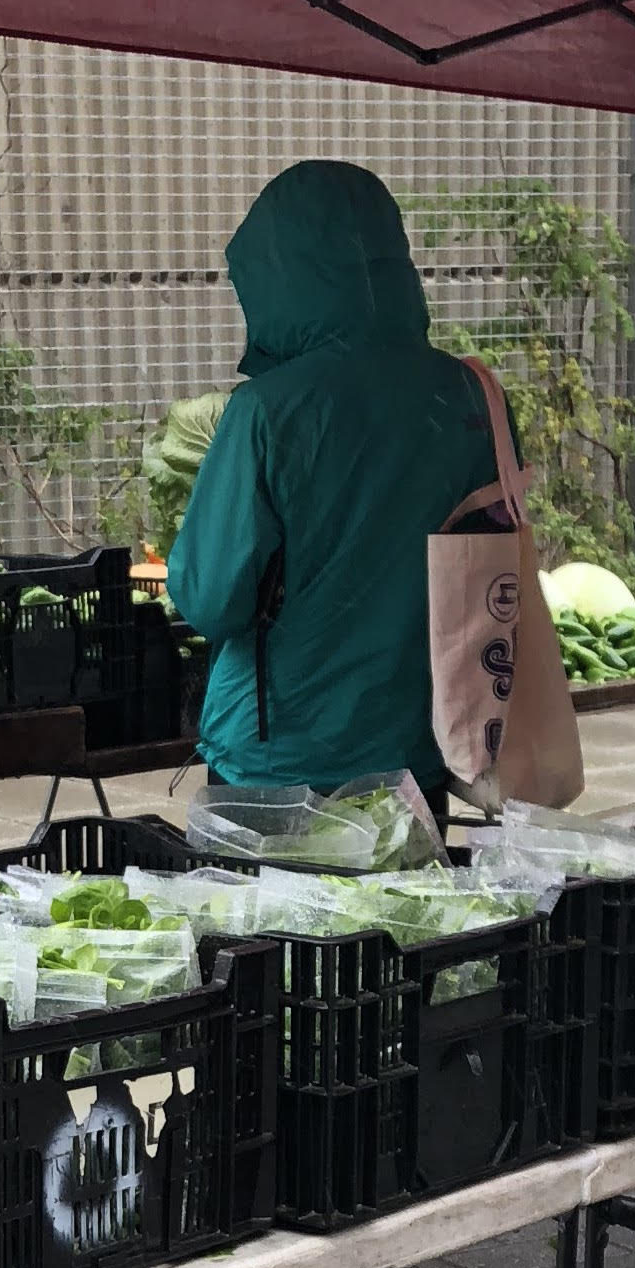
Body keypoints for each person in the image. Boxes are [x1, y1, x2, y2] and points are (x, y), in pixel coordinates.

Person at [167, 160, 505, 804]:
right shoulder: (472, 395)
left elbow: (211, 597)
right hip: (421, 748)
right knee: (410, 907)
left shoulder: (266, 412)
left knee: (270, 911)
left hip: (280, 758)